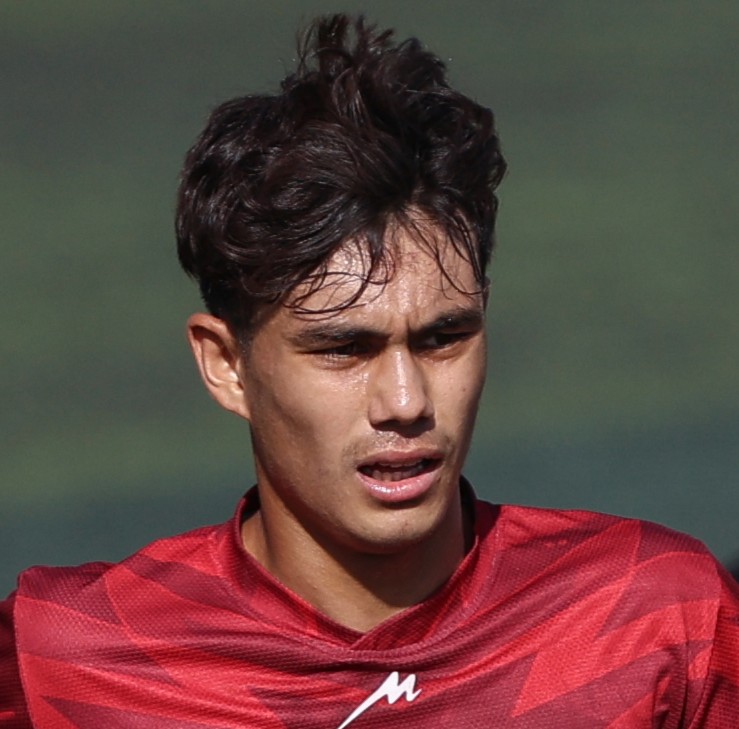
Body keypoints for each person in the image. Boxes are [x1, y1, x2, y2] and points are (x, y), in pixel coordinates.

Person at [1, 14, 738, 728]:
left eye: (444, 337)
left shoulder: (659, 617)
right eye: (344, 349)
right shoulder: (61, 655)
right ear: (226, 365)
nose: (406, 401)